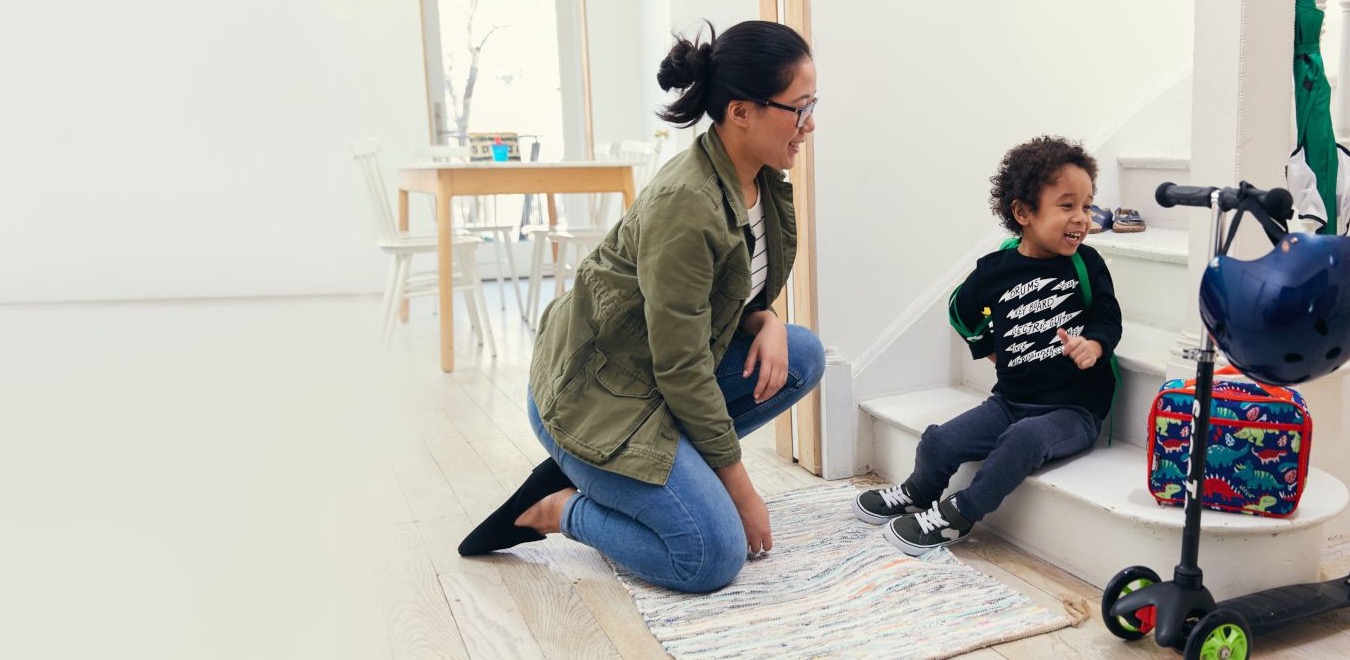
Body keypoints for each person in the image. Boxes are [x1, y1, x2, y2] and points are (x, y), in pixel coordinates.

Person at [457, 20, 825, 593]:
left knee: (800, 353)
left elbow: (721, 306)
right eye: (798, 109)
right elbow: (682, 367)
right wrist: (741, 490)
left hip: (654, 381)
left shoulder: (762, 182)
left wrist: (768, 319)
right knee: (711, 554)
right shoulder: (688, 204)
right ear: (741, 111)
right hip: (593, 396)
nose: (809, 125)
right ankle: (559, 508)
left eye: (811, 106)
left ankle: (651, 475)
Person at [852, 136, 1121, 556]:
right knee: (938, 440)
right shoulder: (995, 270)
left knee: (1024, 440)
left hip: (1073, 410)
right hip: (1010, 400)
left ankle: (959, 514)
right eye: (1067, 205)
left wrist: (1095, 345)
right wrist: (988, 348)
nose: (1082, 219)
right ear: (1023, 212)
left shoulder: (1086, 264)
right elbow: (961, 307)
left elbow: (1108, 315)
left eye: (1087, 206)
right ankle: (918, 491)